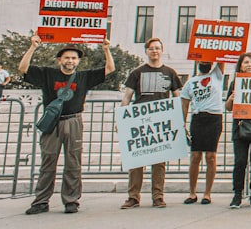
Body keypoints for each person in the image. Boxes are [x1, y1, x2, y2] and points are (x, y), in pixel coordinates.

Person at [20, 35, 113, 214]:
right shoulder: (48, 74)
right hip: (53, 123)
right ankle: (41, 201)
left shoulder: (84, 76)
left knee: (73, 162)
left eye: (73, 58)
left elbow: (109, 69)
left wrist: (106, 49)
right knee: (48, 162)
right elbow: (23, 69)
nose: (70, 61)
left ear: (78, 61)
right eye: (67, 57)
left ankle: (71, 200)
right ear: (59, 60)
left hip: (73, 120)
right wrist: (32, 47)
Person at [121, 37, 183, 209]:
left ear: (162, 51)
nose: (154, 51)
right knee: (136, 162)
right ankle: (133, 197)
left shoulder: (170, 73)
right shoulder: (137, 73)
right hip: (139, 120)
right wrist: (122, 118)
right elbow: (127, 96)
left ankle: (158, 196)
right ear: (146, 51)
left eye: (157, 48)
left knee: (159, 162)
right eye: (151, 48)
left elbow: (178, 98)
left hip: (161, 122)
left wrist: (180, 120)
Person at [224, 52, 251, 208]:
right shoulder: (235, 82)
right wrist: (231, 98)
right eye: (246, 62)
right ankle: (237, 194)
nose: (250, 65)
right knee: (240, 162)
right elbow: (228, 107)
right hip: (240, 128)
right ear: (240, 66)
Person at [181, 62, 225, 204]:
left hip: (214, 118)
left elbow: (221, 58)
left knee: (211, 156)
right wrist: (182, 122)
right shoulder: (190, 82)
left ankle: (207, 193)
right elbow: (185, 103)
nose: (204, 63)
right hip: (198, 118)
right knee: (195, 156)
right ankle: (192, 192)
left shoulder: (216, 75)